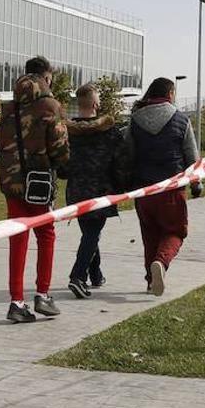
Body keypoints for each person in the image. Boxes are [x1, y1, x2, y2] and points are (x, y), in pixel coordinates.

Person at [0, 56, 68, 323]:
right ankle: (43, 294)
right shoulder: (50, 105)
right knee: (46, 233)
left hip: (11, 182)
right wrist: (63, 166)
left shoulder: (8, 108)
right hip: (39, 181)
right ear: (46, 77)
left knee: (18, 237)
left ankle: (16, 301)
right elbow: (59, 144)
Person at [126, 77, 202, 297]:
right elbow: (192, 157)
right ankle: (161, 263)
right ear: (170, 94)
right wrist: (196, 184)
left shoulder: (135, 120)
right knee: (176, 231)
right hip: (172, 189)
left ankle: (151, 281)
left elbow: (128, 154)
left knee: (149, 235)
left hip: (144, 190)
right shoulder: (181, 119)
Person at [64, 83, 128, 299]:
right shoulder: (109, 132)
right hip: (101, 190)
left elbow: (62, 165)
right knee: (91, 234)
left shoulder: (67, 132)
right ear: (95, 104)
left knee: (89, 233)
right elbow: (121, 162)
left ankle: (95, 274)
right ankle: (78, 276)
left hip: (76, 191)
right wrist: (122, 187)